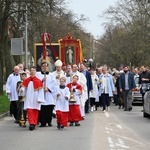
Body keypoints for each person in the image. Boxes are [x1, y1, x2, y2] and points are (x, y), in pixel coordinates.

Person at [22, 66, 45, 131]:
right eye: (31, 70)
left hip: (35, 97)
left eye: (33, 70)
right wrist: (22, 90)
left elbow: (40, 91)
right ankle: (31, 123)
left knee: (35, 111)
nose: (32, 71)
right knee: (29, 110)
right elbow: (24, 88)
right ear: (30, 71)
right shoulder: (27, 80)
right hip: (29, 97)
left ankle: (34, 122)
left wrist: (40, 98)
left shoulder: (38, 81)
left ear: (35, 71)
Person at [36, 62, 56, 127]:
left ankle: (49, 121)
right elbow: (36, 82)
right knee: (42, 109)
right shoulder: (38, 74)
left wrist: (48, 88)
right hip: (41, 92)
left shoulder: (51, 75)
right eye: (43, 66)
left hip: (49, 93)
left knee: (49, 108)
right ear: (41, 67)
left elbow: (54, 83)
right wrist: (41, 81)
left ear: (48, 67)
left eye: (46, 66)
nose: (45, 67)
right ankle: (42, 122)